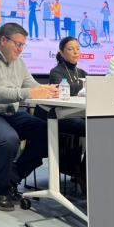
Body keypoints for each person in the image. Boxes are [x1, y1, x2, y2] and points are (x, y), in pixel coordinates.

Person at [0, 23, 59, 211]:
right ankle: (0, 190)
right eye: (18, 44)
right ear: (3, 40)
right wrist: (31, 92)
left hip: (8, 113)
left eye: (23, 45)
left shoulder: (18, 62)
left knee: (48, 134)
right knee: (9, 139)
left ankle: (10, 179)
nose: (20, 49)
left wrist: (49, 90)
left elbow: (31, 85)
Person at [47, 37, 87, 191]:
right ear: (62, 53)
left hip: (80, 114)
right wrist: (80, 88)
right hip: (62, 116)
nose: (75, 51)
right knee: (92, 129)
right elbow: (63, 90)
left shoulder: (82, 72)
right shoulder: (56, 71)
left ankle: (82, 171)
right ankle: (81, 173)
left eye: (77, 48)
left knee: (100, 127)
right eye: (70, 49)